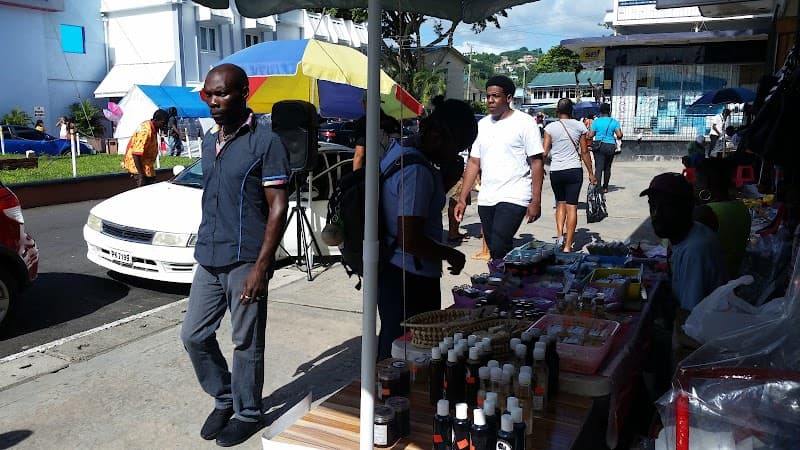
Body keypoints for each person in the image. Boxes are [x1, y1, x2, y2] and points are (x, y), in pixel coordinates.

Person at [180, 63, 290, 446]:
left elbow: (279, 206)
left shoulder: (266, 141)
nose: (214, 100)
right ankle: (224, 396)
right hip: (209, 257)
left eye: (222, 93)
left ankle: (248, 412)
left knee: (245, 342)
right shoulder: (211, 141)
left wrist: (262, 266)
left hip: (246, 258)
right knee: (193, 334)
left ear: (245, 92)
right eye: (209, 93)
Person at [377, 97, 477, 360]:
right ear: (436, 134)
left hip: (394, 269)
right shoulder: (417, 172)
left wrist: (445, 180)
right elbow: (410, 239)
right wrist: (450, 253)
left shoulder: (400, 151)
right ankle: (388, 395)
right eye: (456, 147)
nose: (455, 155)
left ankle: (384, 390)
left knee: (394, 340)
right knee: (406, 348)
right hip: (410, 276)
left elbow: (420, 208)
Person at [454, 75, 545, 260]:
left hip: (515, 193)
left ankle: (501, 281)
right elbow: (473, 162)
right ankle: (504, 281)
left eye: (495, 96)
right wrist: (462, 198)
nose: (490, 101)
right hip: (487, 196)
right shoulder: (482, 125)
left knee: (499, 243)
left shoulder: (525, 122)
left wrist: (536, 200)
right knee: (494, 248)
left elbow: (537, 162)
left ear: (509, 98)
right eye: (488, 96)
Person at [640, 173, 727, 359]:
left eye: (666, 206)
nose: (656, 214)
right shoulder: (682, 235)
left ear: (687, 208)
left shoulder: (695, 250)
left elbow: (688, 322)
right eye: (652, 205)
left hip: (700, 345)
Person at [542, 98, 597, 252]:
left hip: (557, 171)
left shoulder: (550, 128)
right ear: (572, 111)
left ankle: (560, 237)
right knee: (572, 207)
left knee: (560, 203)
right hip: (574, 170)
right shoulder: (579, 126)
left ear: (557, 111)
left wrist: (538, 168)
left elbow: (544, 152)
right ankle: (568, 246)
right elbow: (584, 151)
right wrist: (591, 173)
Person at [692, 159, 751, 278]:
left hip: (710, 284)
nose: (694, 185)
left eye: (697, 181)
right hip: (731, 279)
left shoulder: (704, 213)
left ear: (706, 182)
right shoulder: (742, 207)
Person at [352, 92, 401, 170]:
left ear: (366, 103)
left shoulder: (362, 123)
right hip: (393, 169)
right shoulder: (393, 121)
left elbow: (359, 154)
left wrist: (356, 177)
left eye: (363, 103)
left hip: (371, 172)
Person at [122, 109, 169, 187]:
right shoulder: (145, 131)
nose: (164, 125)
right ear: (157, 120)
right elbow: (136, 154)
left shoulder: (152, 127)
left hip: (147, 166)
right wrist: (141, 176)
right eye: (163, 123)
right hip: (138, 168)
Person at [587, 103, 622, 194]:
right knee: (607, 167)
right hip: (610, 146)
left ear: (600, 111)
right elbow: (619, 135)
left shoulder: (596, 122)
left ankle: (598, 188)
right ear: (609, 111)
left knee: (599, 168)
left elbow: (590, 135)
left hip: (599, 146)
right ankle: (605, 187)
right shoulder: (614, 122)